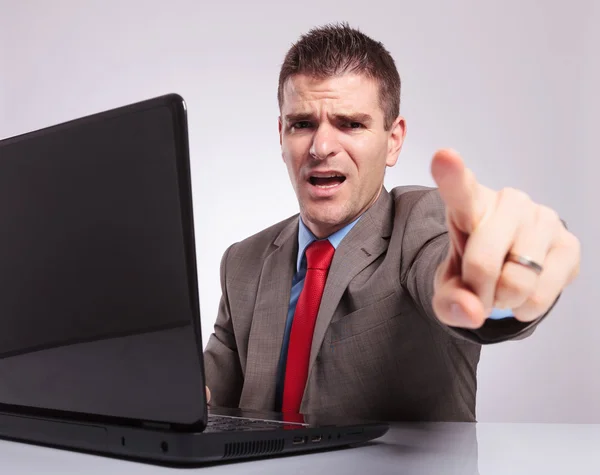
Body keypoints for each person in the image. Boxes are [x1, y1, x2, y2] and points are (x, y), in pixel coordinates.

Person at [203, 23, 580, 422]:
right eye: (302, 124)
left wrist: (498, 286)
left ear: (393, 140)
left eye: (351, 123)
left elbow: (448, 267)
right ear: (281, 135)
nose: (321, 147)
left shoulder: (420, 222)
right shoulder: (242, 262)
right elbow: (206, 399)